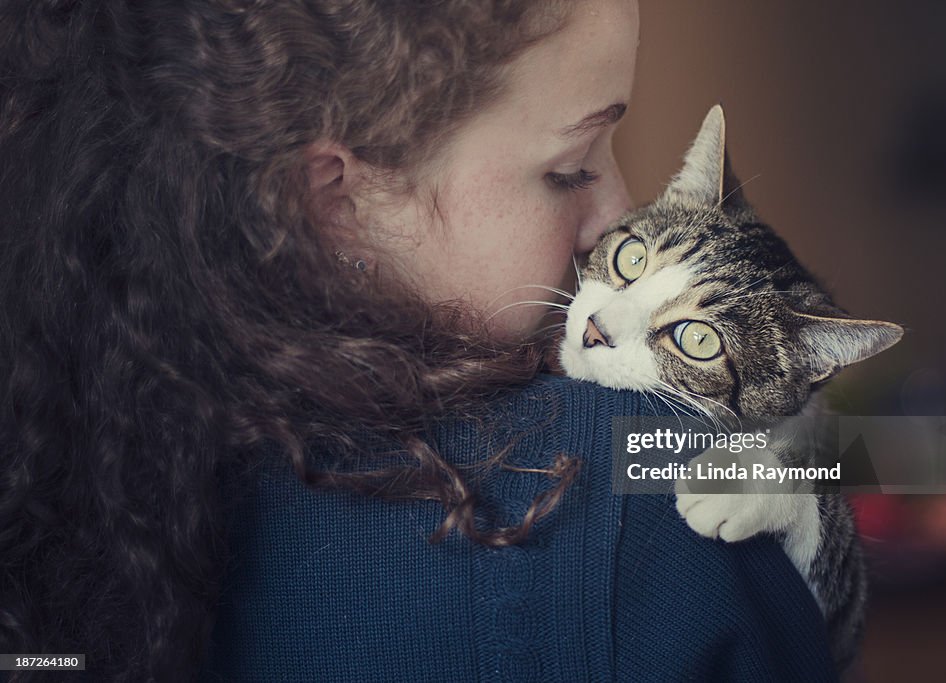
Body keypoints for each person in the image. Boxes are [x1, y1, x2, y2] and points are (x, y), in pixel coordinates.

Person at [0, 1, 839, 680]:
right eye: (572, 163)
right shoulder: (631, 491)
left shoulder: (64, 465)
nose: (621, 213)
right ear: (333, 199)